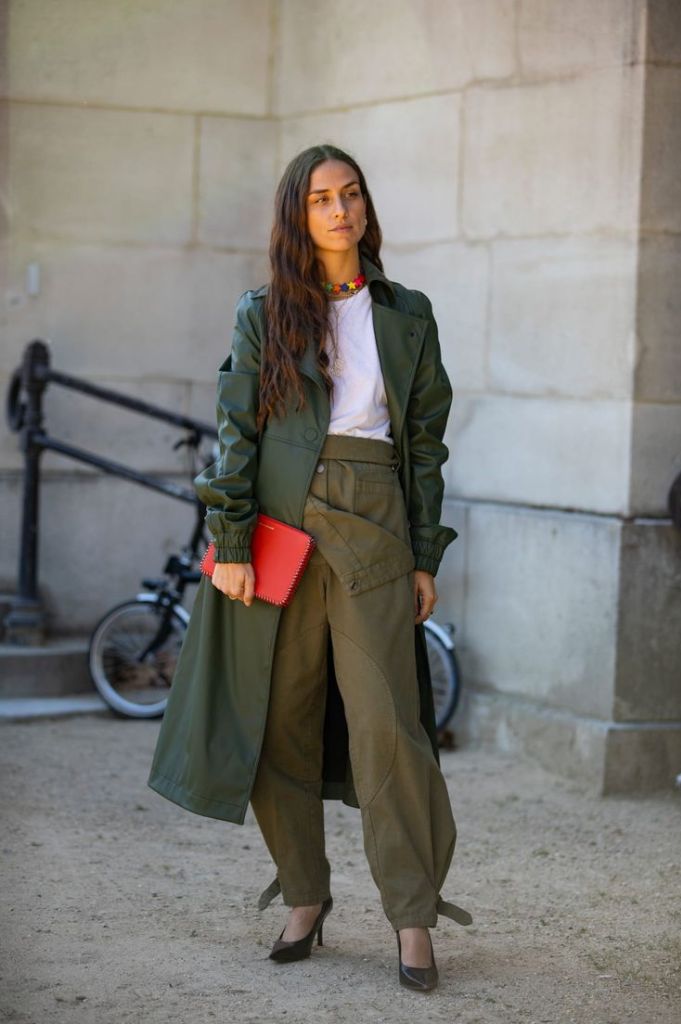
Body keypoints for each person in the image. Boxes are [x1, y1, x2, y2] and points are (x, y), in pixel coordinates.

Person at [147, 143, 472, 992]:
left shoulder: (406, 314)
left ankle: (411, 916)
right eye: (321, 198)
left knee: (389, 727)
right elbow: (236, 432)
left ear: (364, 208)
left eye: (350, 193)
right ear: (298, 215)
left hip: (374, 525)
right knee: (277, 721)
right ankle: (303, 894)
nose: (339, 209)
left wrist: (424, 555)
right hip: (279, 529)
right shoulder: (264, 313)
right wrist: (229, 542)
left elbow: (424, 446)